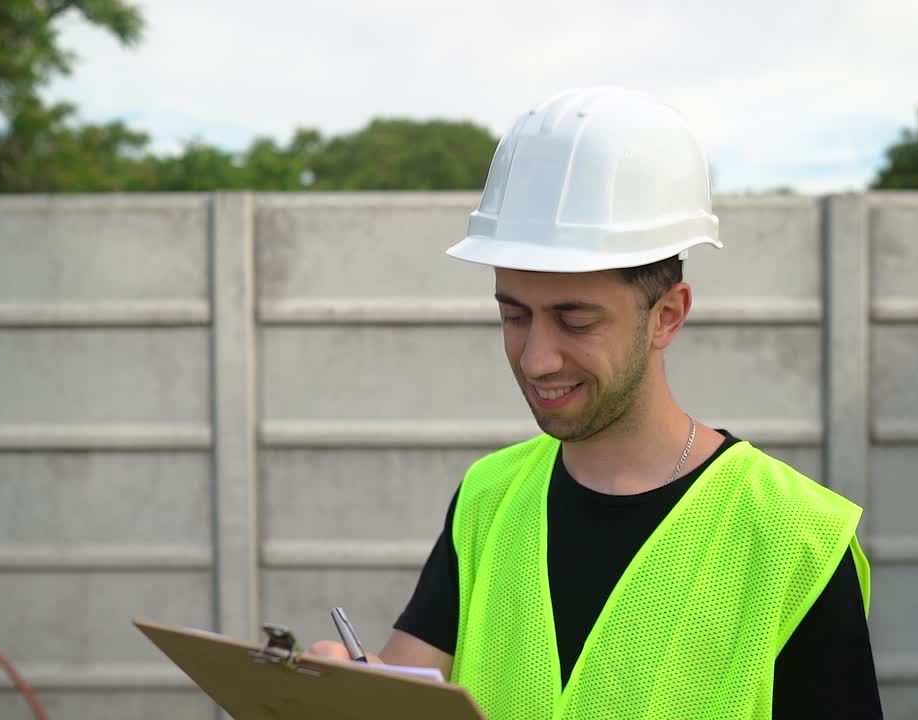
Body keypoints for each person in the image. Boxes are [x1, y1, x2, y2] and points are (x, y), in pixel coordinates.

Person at [309, 86, 883, 719]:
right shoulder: (489, 496)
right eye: (515, 316)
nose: (535, 359)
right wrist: (347, 694)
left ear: (667, 315)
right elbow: (406, 686)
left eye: (575, 321)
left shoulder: (795, 538)